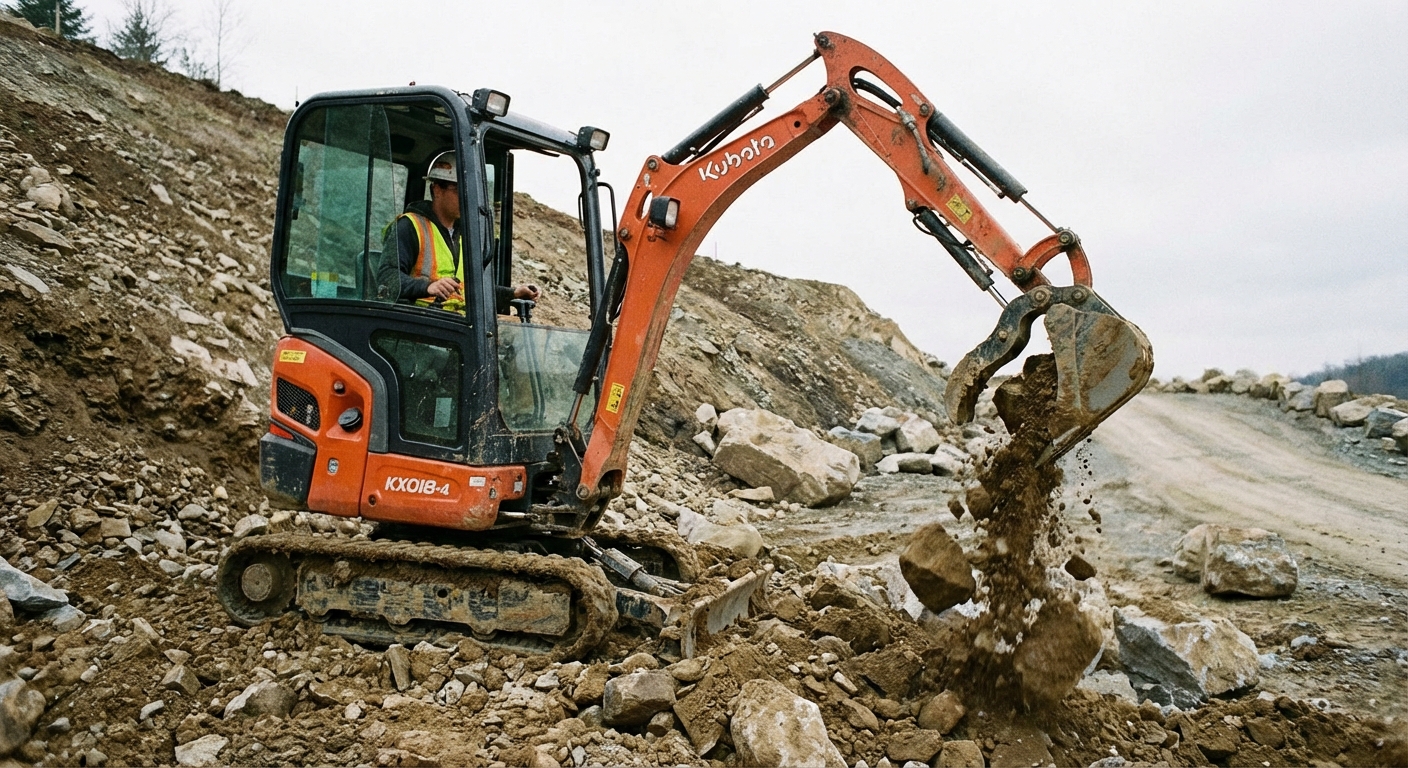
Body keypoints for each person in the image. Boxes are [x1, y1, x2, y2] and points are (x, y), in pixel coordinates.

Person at [384, 150, 540, 314]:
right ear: (437, 189)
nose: (466, 199)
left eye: (469, 193)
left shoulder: (464, 235)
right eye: (458, 191)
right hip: (417, 325)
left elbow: (469, 290)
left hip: (457, 327)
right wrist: (428, 287)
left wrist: (512, 293)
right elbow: (387, 279)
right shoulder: (410, 226)